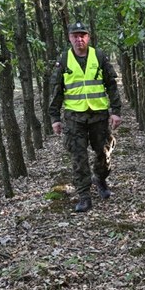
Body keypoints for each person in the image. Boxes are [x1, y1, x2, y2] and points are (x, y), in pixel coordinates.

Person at [49, 22, 122, 213]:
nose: (79, 39)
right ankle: (84, 196)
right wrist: (55, 118)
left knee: (103, 154)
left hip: (98, 116)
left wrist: (116, 111)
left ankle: (100, 178)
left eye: (82, 35)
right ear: (70, 38)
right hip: (74, 118)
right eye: (75, 36)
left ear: (88, 37)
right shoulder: (64, 60)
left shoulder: (99, 57)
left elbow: (111, 86)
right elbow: (56, 91)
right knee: (78, 157)